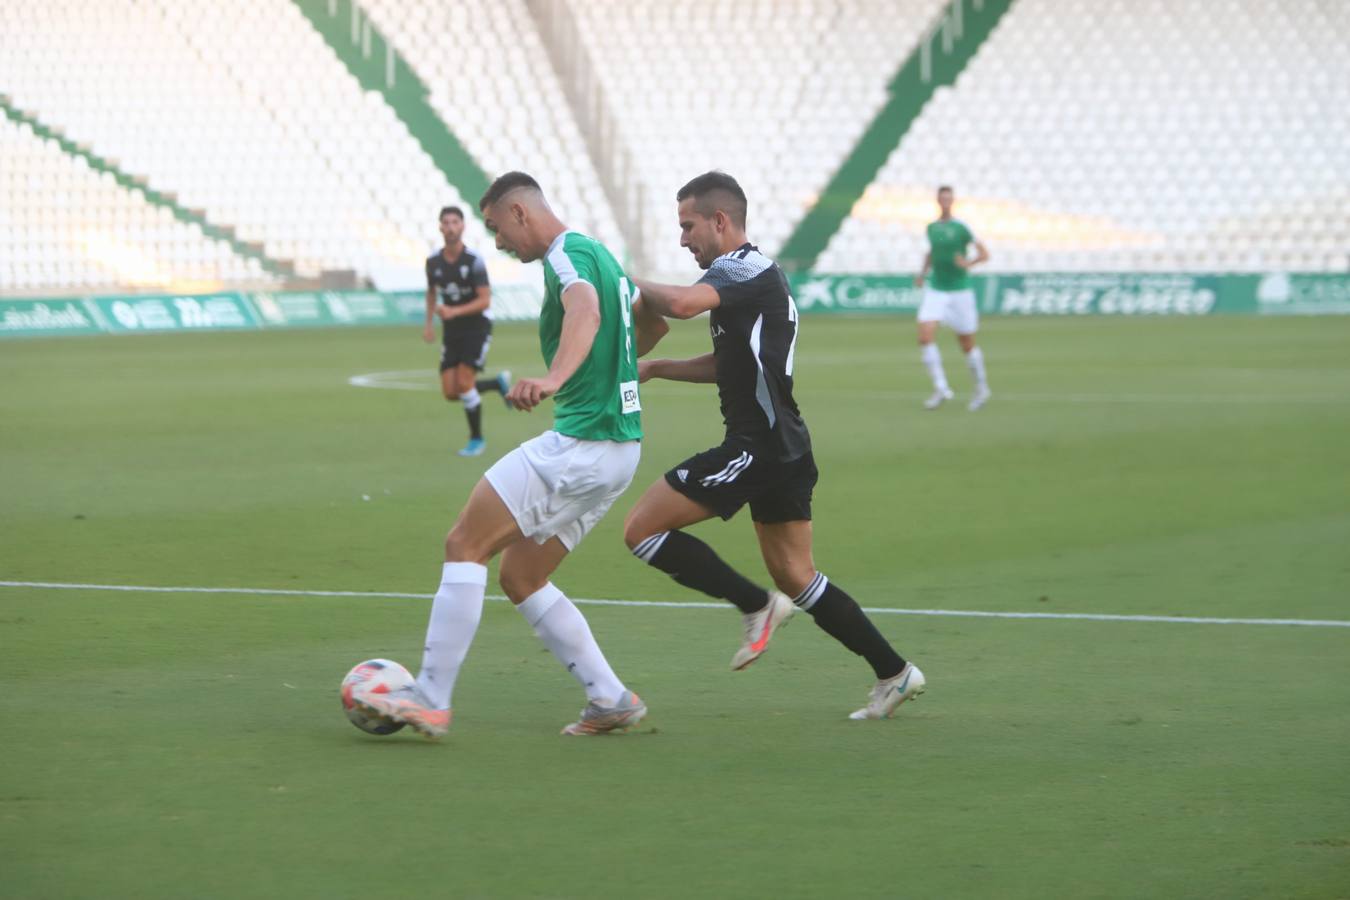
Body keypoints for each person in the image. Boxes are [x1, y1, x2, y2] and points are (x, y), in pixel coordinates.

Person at [357, 173, 662, 737]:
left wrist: (555, 378)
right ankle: (609, 696)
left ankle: (430, 697)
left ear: (521, 213)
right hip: (622, 450)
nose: (498, 242)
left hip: (582, 443)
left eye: (498, 229)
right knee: (522, 576)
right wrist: (609, 365)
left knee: (463, 543)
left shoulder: (566, 256)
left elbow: (586, 313)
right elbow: (653, 322)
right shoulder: (602, 254)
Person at [623, 171, 925, 721]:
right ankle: (895, 673)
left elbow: (684, 306)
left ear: (720, 221)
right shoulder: (746, 279)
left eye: (688, 226)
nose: (683, 238)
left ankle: (755, 605)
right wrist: (658, 367)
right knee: (797, 575)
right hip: (784, 445)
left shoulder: (741, 266)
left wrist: (621, 278)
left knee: (641, 530)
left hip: (757, 445)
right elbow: (729, 365)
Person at [423, 205, 512, 456]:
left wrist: (454, 311)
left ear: (462, 227)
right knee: (451, 392)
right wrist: (429, 325)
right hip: (452, 331)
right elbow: (431, 293)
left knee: (464, 382)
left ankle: (476, 439)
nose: (450, 227)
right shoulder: (433, 262)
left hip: (476, 327)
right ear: (440, 227)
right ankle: (496, 383)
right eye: (446, 223)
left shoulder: (474, 262)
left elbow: (485, 300)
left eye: (455, 222)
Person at [913, 185, 991, 411]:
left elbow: (984, 254)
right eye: (942, 198)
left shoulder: (962, 227)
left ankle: (981, 388)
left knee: (966, 343)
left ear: (952, 201)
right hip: (936, 288)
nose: (945, 201)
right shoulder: (932, 228)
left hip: (960, 290)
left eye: (948, 198)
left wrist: (968, 263)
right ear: (938, 200)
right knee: (925, 336)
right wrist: (922, 274)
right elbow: (931, 252)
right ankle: (941, 388)